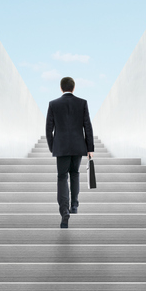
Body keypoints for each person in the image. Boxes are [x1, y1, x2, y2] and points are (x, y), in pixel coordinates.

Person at [45, 76, 95, 228]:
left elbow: (48, 129)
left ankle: (64, 212)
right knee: (75, 174)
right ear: (73, 88)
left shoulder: (53, 104)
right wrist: (90, 148)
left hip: (61, 148)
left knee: (62, 177)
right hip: (78, 146)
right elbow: (88, 126)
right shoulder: (82, 103)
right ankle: (74, 205)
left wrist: (53, 146)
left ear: (61, 88)